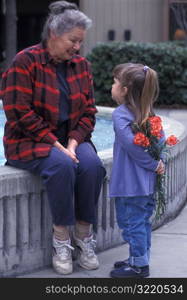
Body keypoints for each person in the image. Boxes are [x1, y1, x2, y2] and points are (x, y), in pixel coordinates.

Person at [0, 1, 106, 275]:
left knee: (92, 166)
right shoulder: (24, 61)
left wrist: (72, 143)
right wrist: (57, 145)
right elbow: (17, 113)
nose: (77, 47)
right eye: (73, 40)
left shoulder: (82, 66)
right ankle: (61, 239)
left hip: (69, 139)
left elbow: (89, 112)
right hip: (28, 140)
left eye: (80, 42)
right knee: (62, 165)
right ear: (53, 34)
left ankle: (84, 236)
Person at [109, 63, 165, 278]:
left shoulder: (121, 115)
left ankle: (139, 267)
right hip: (146, 183)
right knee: (141, 222)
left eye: (115, 82)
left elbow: (132, 146)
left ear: (124, 90)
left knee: (131, 224)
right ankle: (139, 258)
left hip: (131, 184)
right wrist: (157, 163)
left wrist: (152, 164)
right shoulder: (148, 112)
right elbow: (160, 142)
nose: (112, 86)